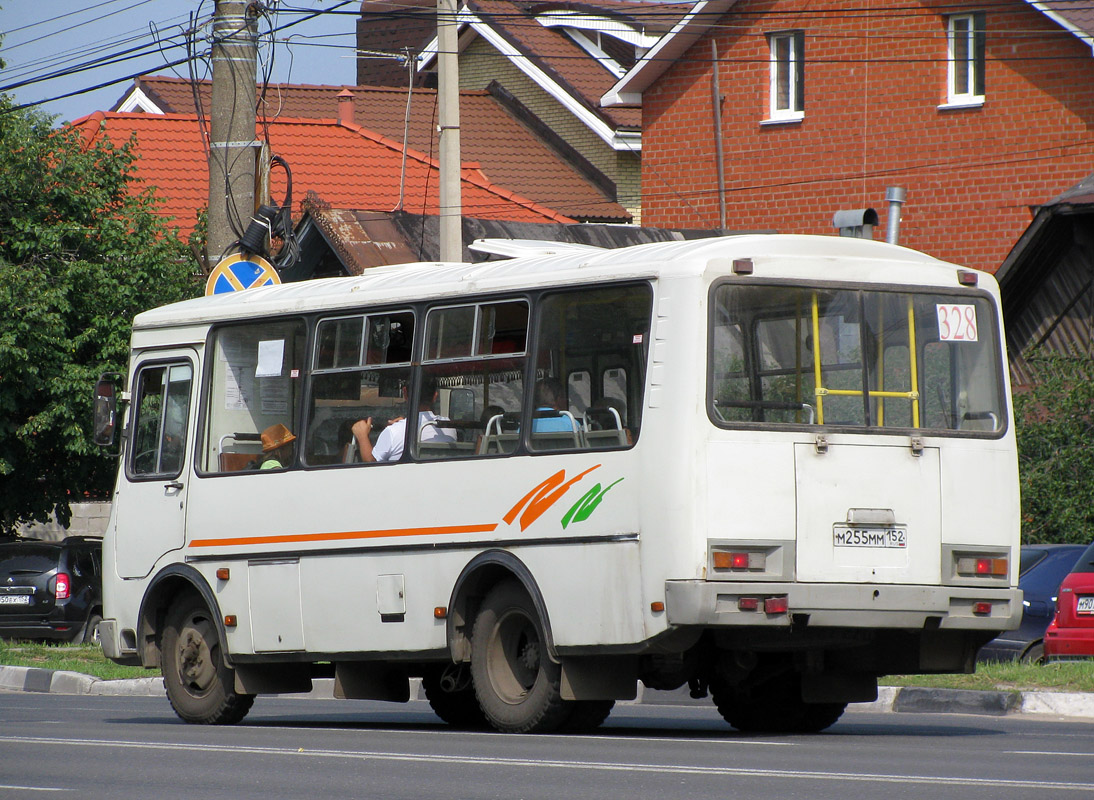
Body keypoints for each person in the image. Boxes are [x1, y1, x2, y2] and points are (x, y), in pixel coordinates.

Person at [351, 376, 454, 462]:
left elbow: (371, 463)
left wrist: (362, 436)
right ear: (435, 396)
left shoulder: (393, 432)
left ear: (405, 392)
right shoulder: (449, 427)